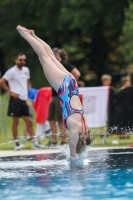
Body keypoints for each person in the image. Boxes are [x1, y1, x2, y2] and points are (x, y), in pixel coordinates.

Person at [16, 25, 92, 159]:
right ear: (78, 142)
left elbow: (83, 142)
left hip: (72, 84)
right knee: (43, 57)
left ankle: (33, 35)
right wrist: (74, 157)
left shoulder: (86, 128)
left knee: (50, 55)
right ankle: (26, 35)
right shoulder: (76, 130)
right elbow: (72, 149)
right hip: (64, 87)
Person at [0, 52, 45, 150]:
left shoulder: (26, 70)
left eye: (24, 60)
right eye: (20, 60)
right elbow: (2, 81)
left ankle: (34, 142)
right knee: (15, 121)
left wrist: (28, 94)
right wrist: (10, 92)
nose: (22, 62)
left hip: (24, 99)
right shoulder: (12, 71)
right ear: (16, 60)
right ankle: (16, 143)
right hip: (15, 99)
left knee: (29, 121)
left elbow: (27, 82)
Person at [48, 47, 81, 145]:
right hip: (54, 95)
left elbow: (77, 74)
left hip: (61, 96)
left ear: (57, 55)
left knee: (61, 120)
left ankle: (63, 140)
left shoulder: (65, 65)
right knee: (51, 119)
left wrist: (69, 86)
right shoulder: (54, 66)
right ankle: (54, 141)